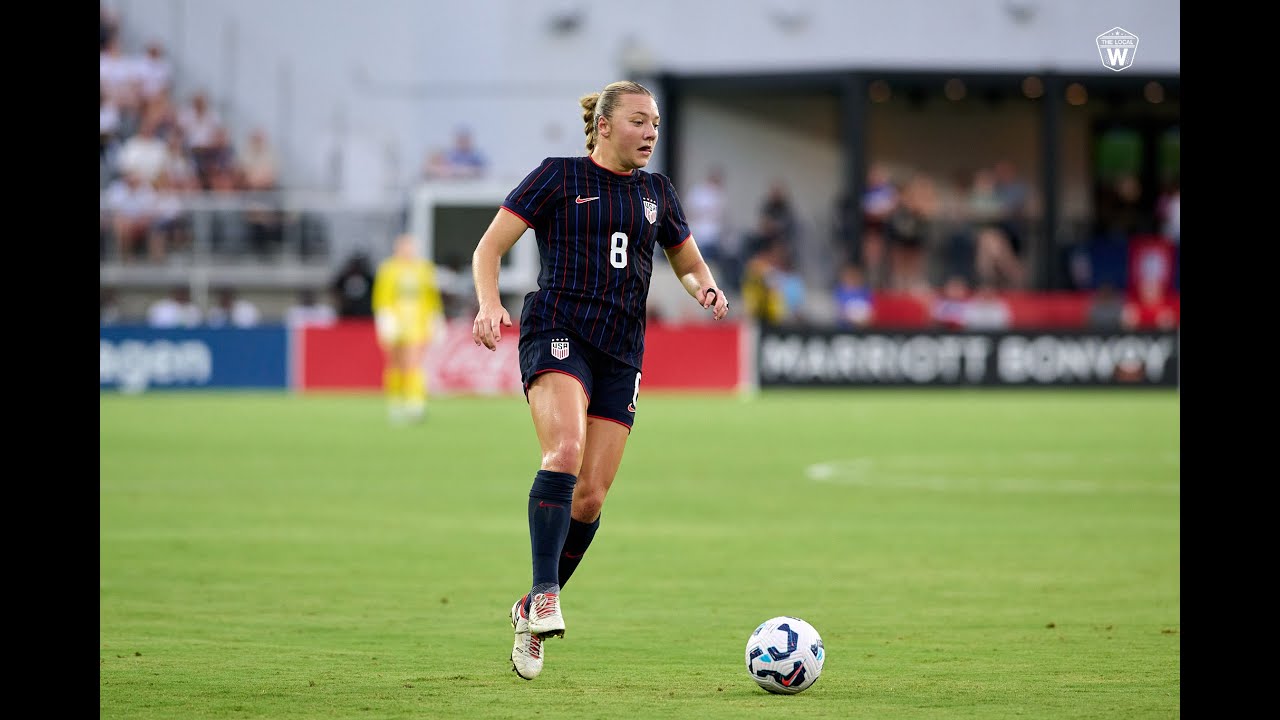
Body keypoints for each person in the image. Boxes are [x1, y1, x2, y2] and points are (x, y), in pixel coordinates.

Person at [470, 80, 729, 682]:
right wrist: (488, 304)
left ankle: (530, 606)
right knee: (563, 451)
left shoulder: (657, 193)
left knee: (590, 496)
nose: (651, 133)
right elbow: (490, 248)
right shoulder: (558, 177)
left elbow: (687, 262)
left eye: (656, 124)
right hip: (558, 330)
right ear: (605, 126)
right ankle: (543, 596)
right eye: (640, 121)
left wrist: (706, 288)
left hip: (621, 352)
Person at [371, 233, 445, 424]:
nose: (408, 250)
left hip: (417, 323)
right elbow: (381, 296)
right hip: (395, 322)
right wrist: (384, 319)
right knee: (395, 364)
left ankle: (415, 403)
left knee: (414, 363)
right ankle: (395, 402)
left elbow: (432, 297)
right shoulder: (388, 269)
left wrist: (435, 319)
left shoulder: (424, 269)